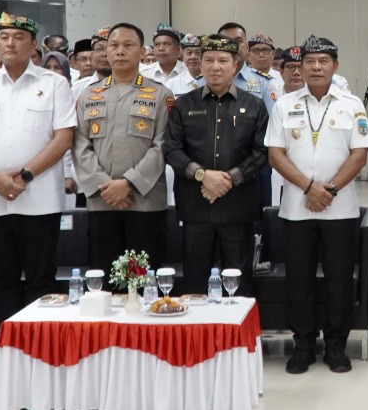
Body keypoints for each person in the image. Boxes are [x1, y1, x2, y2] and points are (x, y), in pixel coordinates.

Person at [0, 13, 76, 378]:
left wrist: (23, 176)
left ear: (33, 45)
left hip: (40, 198)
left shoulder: (54, 84)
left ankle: (39, 350)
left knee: (41, 278)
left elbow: (63, 139)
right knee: (0, 279)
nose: (10, 43)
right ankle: (5, 351)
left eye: (18, 37)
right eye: (4, 36)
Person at [265, 35, 368, 374]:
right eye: (309, 62)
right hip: (297, 208)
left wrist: (330, 190)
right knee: (299, 280)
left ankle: (336, 345)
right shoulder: (285, 105)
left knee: (339, 279)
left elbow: (360, 154)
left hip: (340, 209)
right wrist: (309, 188)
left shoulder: (352, 104)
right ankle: (304, 345)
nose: (316, 67)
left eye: (323, 61)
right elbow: (275, 154)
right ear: (300, 67)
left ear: (335, 66)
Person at [166, 35, 270, 292]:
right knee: (195, 281)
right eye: (209, 60)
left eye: (223, 61)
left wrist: (229, 178)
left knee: (239, 281)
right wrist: (204, 175)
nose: (215, 67)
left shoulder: (254, 105)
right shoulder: (183, 104)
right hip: (195, 206)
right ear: (200, 64)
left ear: (235, 66)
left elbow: (262, 152)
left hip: (238, 207)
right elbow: (172, 149)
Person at [75, 23, 174, 274]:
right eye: (114, 46)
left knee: (144, 279)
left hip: (145, 202)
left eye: (128, 45)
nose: (120, 51)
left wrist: (128, 184)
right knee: (104, 280)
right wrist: (105, 186)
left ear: (142, 52)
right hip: (102, 201)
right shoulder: (89, 95)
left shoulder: (160, 94)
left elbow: (163, 145)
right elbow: (80, 145)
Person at [144, 24, 196, 96]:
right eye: (157, 44)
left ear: (178, 49)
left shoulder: (189, 73)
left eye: (166, 44)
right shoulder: (144, 73)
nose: (161, 48)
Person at [246, 33, 285, 103]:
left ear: (272, 54)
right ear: (248, 55)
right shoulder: (242, 78)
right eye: (256, 51)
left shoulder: (282, 78)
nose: (261, 55)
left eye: (265, 50)